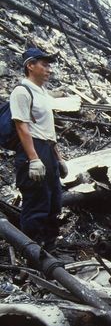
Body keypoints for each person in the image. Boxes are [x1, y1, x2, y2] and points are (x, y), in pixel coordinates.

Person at [10, 47, 68, 250]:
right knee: (37, 204)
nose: (49, 69)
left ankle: (50, 250)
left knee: (54, 202)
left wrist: (58, 158)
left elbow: (48, 130)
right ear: (30, 66)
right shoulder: (21, 91)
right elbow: (21, 126)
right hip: (32, 150)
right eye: (44, 64)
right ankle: (32, 255)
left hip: (47, 149)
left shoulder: (42, 92)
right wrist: (34, 159)